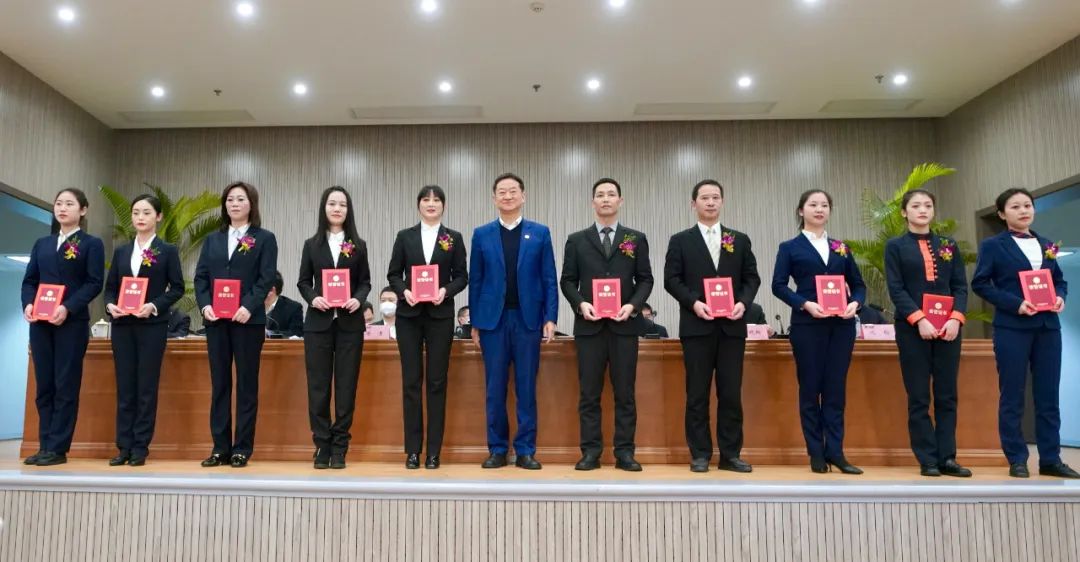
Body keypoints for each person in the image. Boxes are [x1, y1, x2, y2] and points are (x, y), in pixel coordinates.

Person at [972, 188, 1077, 479]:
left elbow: (1059, 281)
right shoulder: (992, 245)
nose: (1023, 211)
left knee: (1048, 395)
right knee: (1013, 395)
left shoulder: (1046, 244)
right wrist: (1015, 303)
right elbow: (980, 283)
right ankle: (1017, 458)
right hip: (1012, 327)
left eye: (1027, 205)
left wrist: (1060, 297)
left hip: (1047, 328)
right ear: (1002, 214)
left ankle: (1051, 459)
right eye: (1015, 206)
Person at [664, 179, 761, 473]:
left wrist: (743, 303)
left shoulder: (739, 239)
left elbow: (752, 278)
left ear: (722, 202)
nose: (710, 202)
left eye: (715, 197)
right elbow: (671, 279)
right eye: (704, 198)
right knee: (697, 394)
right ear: (693, 203)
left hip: (732, 328)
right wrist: (694, 302)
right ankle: (700, 454)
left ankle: (730, 455)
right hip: (697, 327)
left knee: (730, 393)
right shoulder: (680, 240)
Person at [560, 178, 653, 471]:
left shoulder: (635, 238)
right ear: (593, 202)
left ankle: (625, 452)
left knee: (625, 393)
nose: (606, 199)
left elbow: (645, 279)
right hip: (589, 328)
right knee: (589, 394)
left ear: (620, 201)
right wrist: (580, 304)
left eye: (611, 194)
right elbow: (567, 281)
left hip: (624, 327)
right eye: (600, 195)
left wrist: (633, 305)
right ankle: (591, 452)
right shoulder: (577, 240)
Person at [771, 189, 865, 475]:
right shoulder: (790, 247)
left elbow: (858, 285)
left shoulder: (840, 247)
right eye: (813, 204)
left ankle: (836, 451)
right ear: (801, 211)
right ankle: (815, 452)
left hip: (841, 326)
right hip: (808, 325)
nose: (819, 209)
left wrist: (855, 304)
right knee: (810, 389)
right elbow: (778, 285)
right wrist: (805, 304)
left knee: (835, 390)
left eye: (825, 205)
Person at [469, 172, 558, 470]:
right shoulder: (482, 234)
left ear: (523, 196)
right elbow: (476, 280)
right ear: (494, 198)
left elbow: (549, 278)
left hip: (527, 320)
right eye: (502, 192)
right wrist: (476, 321)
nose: (508, 196)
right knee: (494, 389)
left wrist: (550, 317)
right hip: (492, 323)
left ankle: (525, 450)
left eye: (513, 191)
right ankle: (496, 449)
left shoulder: (540, 233)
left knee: (526, 388)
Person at [884, 189, 972, 477]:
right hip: (912, 329)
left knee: (947, 395)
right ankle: (927, 459)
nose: (922, 210)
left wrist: (956, 319)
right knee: (919, 396)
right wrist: (919, 319)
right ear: (904, 212)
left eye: (928, 205)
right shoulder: (895, 246)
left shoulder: (948, 244)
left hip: (948, 328)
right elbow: (896, 288)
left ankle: (948, 457)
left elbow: (960, 286)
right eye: (916, 205)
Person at [194, 181, 278, 468]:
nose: (234, 204)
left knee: (246, 385)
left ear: (251, 204)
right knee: (219, 384)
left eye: (240, 199)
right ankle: (220, 448)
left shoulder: (264, 238)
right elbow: (201, 277)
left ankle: (242, 448)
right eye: (230, 199)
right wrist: (205, 305)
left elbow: (266, 278)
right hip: (216, 321)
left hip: (247, 321)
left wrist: (248, 306)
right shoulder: (213, 239)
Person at [21, 188, 104, 467]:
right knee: (44, 385)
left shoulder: (91, 244)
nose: (62, 208)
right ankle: (44, 444)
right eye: (59, 203)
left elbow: (94, 283)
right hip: (41, 323)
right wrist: (28, 304)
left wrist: (67, 307)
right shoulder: (42, 244)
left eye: (69, 204)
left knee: (65, 384)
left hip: (71, 323)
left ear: (83, 210)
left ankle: (58, 448)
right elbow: (30, 280)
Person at [387, 185, 468, 470]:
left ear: (443, 205)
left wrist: (445, 291)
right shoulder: (404, 236)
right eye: (426, 199)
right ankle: (412, 450)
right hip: (409, 316)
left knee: (436, 382)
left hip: (439, 316)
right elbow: (393, 274)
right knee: (411, 382)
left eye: (436, 200)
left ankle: (434, 451)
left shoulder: (453, 238)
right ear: (418, 204)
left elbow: (462, 276)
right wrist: (404, 291)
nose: (431, 204)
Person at [102, 194, 184, 467]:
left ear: (158, 217)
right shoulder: (122, 251)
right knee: (125, 387)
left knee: (146, 388)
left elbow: (177, 288)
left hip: (152, 327)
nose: (140, 217)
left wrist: (154, 305)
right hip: (123, 326)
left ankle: (140, 447)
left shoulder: (167, 250)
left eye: (146, 212)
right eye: (136, 212)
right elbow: (110, 288)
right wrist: (110, 305)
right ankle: (123, 446)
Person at [297, 186, 372, 469]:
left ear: (348, 210)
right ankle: (322, 445)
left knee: (346, 387)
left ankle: (340, 446)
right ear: (324, 208)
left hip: (349, 324)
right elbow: (303, 282)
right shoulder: (311, 245)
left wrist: (358, 299)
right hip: (318, 324)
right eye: (332, 203)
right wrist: (313, 298)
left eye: (342, 204)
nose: (337, 208)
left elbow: (365, 282)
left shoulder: (358, 245)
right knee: (318, 387)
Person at [265, 270, 304, 337]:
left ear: (272, 290)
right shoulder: (249, 307)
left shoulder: (293, 308)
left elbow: (296, 333)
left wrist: (269, 333)